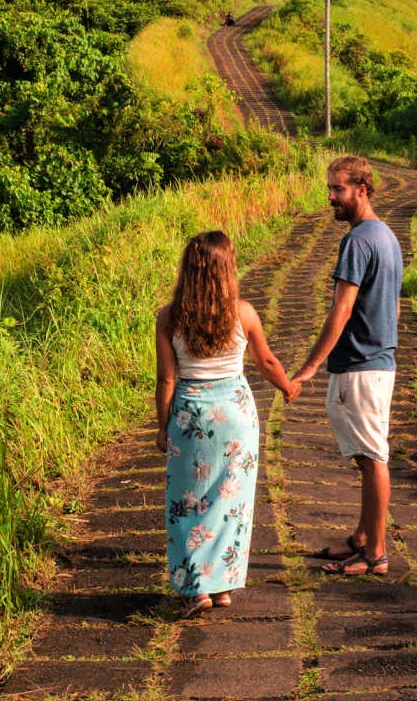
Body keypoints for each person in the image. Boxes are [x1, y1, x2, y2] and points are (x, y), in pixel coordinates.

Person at [155, 231, 300, 618]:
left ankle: (197, 589)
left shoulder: (170, 316)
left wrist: (162, 425)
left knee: (188, 501)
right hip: (235, 413)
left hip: (191, 414)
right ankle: (221, 585)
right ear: (227, 270)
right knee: (230, 500)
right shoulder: (243, 313)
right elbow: (266, 361)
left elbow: (167, 379)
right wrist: (288, 386)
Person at [292, 155, 402, 577]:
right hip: (377, 361)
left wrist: (308, 367)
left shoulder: (358, 241)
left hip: (361, 365)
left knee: (372, 457)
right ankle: (361, 537)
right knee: (366, 455)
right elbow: (389, 305)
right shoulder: (386, 236)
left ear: (362, 189)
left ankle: (376, 552)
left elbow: (341, 311)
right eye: (330, 189)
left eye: (338, 189)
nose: (331, 197)